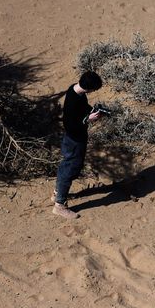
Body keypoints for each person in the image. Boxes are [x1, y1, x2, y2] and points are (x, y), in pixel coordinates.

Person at [53, 71, 107, 219]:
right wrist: (87, 119)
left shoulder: (75, 90)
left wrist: (92, 111)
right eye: (94, 89)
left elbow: (81, 108)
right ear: (89, 89)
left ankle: (58, 193)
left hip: (74, 139)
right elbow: (70, 125)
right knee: (70, 169)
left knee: (67, 166)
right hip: (74, 140)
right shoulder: (72, 101)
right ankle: (60, 205)